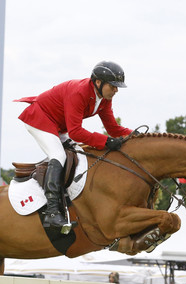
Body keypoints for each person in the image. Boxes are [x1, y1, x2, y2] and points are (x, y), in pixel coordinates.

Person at [15, 61, 132, 228]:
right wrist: (106, 141)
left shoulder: (104, 99)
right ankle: (52, 213)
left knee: (79, 157)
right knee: (59, 155)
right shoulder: (79, 92)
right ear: (98, 82)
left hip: (59, 125)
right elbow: (76, 132)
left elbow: (113, 129)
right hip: (40, 118)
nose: (116, 90)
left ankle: (68, 202)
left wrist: (137, 136)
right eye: (113, 86)